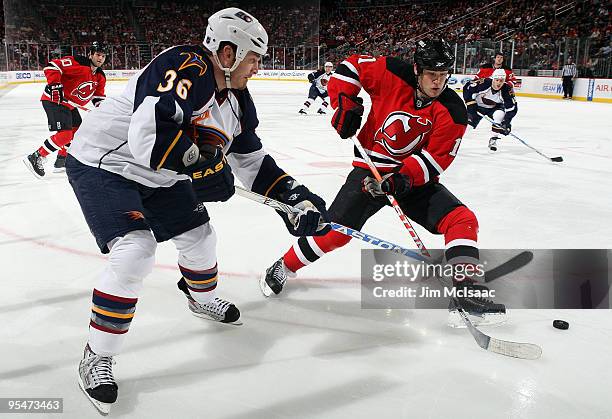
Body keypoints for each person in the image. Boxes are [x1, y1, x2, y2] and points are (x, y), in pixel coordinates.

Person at [66, 8, 329, 414]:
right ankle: (96, 354)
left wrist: (295, 198)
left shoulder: (237, 100)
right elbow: (147, 137)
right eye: (253, 58)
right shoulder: (185, 65)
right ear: (227, 52)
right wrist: (203, 166)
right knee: (136, 250)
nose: (258, 68)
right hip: (106, 164)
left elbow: (252, 163)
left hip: (159, 176)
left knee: (201, 238)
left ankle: (198, 296)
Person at [263, 39, 506, 325]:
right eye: (431, 74)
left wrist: (402, 179)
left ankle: (466, 294)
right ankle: (284, 266)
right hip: (369, 170)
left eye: (443, 75)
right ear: (417, 70)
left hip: (409, 178)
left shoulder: (452, 109)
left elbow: (437, 159)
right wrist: (345, 103)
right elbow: (349, 67)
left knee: (462, 219)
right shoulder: (391, 71)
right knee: (336, 232)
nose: (437, 82)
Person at [23, 42, 107, 178]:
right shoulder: (78, 63)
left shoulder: (100, 76)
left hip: (70, 105)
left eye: (103, 56)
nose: (100, 58)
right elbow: (53, 66)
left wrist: (102, 108)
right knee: (65, 135)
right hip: (55, 101)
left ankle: (61, 161)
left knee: (76, 132)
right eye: (98, 54)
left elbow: (98, 97)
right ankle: (36, 156)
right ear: (90, 54)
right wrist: (55, 85)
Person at [463, 68, 518, 151]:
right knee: (467, 127)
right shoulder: (483, 83)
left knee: (499, 115)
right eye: (497, 80)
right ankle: (453, 141)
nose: (499, 83)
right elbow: (467, 88)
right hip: (477, 107)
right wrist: (471, 104)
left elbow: (512, 108)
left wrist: (506, 123)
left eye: (501, 80)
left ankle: (493, 139)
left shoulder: (507, 89)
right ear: (493, 79)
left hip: (494, 108)